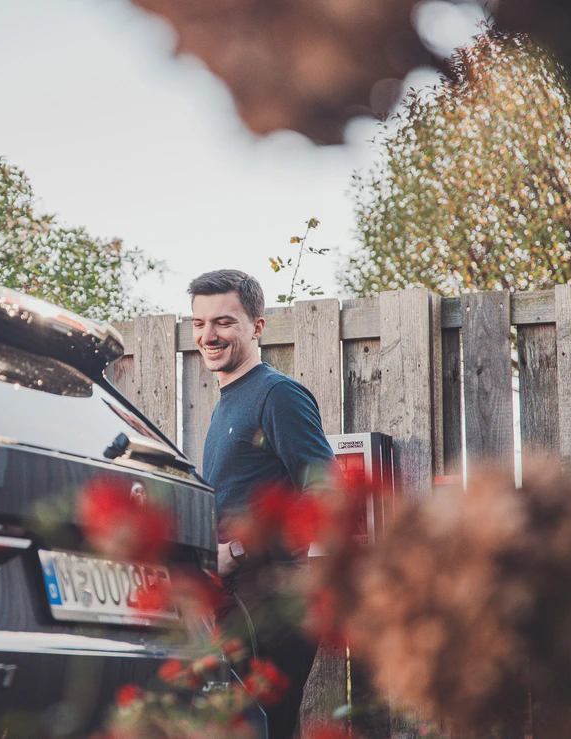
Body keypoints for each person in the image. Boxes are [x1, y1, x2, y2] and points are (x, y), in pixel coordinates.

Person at [189, 269, 335, 739]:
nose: (208, 335)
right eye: (199, 323)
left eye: (224, 322)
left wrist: (239, 553)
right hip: (234, 600)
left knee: (262, 729)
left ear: (257, 326)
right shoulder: (231, 399)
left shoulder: (277, 395)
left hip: (272, 600)